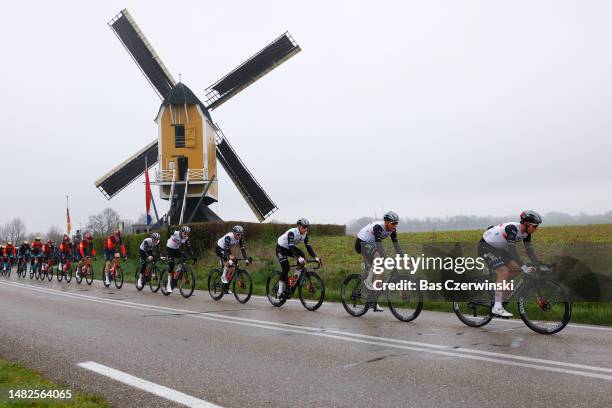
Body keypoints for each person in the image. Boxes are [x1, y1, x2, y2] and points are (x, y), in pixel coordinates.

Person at [478, 210, 543, 318]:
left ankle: (499, 296)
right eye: (535, 226)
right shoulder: (512, 229)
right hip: (486, 247)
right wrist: (524, 266)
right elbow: (512, 251)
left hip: (498, 249)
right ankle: (497, 307)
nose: (536, 229)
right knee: (503, 272)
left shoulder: (526, 233)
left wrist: (538, 264)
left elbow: (529, 250)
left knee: (516, 270)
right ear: (526, 224)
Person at [355, 211, 403, 311]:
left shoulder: (393, 230)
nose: (395, 225)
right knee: (379, 258)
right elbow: (378, 245)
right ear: (386, 222)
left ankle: (373, 300)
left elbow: (396, 246)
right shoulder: (378, 227)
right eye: (393, 223)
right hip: (361, 243)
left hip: (371, 245)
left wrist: (403, 258)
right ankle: (368, 281)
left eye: (396, 223)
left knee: (380, 272)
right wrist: (385, 258)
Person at [275, 219, 322, 301]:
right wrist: (298, 257)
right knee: (286, 268)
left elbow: (308, 247)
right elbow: (291, 246)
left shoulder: (305, 234)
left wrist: (315, 257)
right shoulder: (292, 232)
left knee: (302, 255)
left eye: (307, 227)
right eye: (304, 227)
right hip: (281, 248)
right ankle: (279, 291)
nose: (306, 229)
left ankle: (294, 278)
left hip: (290, 248)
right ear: (299, 227)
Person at [215, 226, 252, 293]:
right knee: (230, 261)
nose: (240, 236)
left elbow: (243, 249)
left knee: (232, 268)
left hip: (226, 250)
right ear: (234, 233)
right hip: (220, 248)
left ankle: (225, 287)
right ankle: (223, 277)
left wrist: (246, 259)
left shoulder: (240, 238)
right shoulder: (229, 237)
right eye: (238, 234)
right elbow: (226, 248)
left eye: (241, 234)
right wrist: (229, 256)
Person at [165, 226, 196, 293]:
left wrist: (193, 255)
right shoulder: (175, 233)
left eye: (187, 234)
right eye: (185, 233)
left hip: (176, 250)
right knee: (171, 265)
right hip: (169, 249)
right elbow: (169, 232)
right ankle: (168, 285)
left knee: (184, 257)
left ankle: (177, 273)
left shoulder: (186, 238)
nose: (186, 235)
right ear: (181, 232)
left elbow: (189, 247)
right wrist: (169, 229)